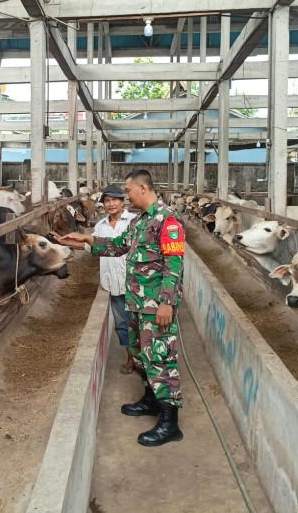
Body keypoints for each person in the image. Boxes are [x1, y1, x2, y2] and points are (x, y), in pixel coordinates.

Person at [55, 169, 185, 447]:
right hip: (137, 303)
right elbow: (118, 246)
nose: (125, 196)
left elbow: (174, 264)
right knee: (141, 355)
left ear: (142, 188)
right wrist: (86, 239)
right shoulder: (140, 221)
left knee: (160, 359)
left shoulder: (167, 220)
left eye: (127, 191)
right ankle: (151, 400)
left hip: (156, 306)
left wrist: (167, 302)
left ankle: (169, 423)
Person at [92, 184, 136, 375]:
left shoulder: (134, 221)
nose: (111, 204)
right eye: (107, 201)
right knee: (122, 324)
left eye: (114, 200)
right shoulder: (100, 226)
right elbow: (91, 246)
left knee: (140, 324)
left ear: (122, 201)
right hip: (113, 284)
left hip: (135, 284)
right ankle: (131, 358)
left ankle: (145, 361)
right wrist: (68, 242)